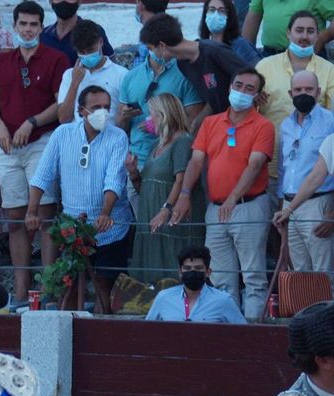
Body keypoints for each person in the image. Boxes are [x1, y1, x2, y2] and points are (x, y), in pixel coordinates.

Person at [158, 68, 273, 319]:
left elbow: (255, 165)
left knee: (253, 276)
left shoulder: (263, 126)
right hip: (216, 208)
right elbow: (196, 161)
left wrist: (232, 199)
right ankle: (226, 329)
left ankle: (253, 330)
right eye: (238, 85)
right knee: (220, 278)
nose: (242, 91)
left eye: (249, 88)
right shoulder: (211, 123)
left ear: (257, 95)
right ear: (230, 87)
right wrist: (185, 194)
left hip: (249, 205)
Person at [26, 85, 135, 313]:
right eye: (96, 107)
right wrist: (32, 211)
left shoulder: (118, 136)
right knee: (70, 287)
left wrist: (105, 213)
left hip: (111, 228)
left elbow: (114, 179)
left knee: (105, 287)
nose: (102, 112)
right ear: (81, 110)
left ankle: (103, 328)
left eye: (106, 107)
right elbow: (43, 174)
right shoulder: (62, 134)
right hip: (73, 227)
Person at [0, 1, 67, 307]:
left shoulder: (56, 59)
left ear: (41, 27)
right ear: (15, 26)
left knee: (45, 214)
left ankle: (49, 288)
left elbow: (60, 105)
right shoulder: (2, 60)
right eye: (23, 24)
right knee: (14, 217)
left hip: (41, 140)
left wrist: (32, 122)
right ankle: (20, 292)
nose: (28, 29)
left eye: (34, 24)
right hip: (8, 145)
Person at [130, 92, 205, 285]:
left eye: (151, 114)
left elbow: (181, 179)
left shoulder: (183, 141)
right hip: (150, 218)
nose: (148, 119)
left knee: (172, 269)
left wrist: (166, 209)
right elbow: (145, 187)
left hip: (171, 222)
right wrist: (133, 173)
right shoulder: (157, 145)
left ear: (164, 115)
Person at [269, 70, 334, 274]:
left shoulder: (330, 121)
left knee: (323, 271)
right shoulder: (286, 125)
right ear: (290, 93)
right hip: (289, 206)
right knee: (299, 272)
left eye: (309, 89)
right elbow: (283, 168)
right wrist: (283, 205)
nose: (303, 93)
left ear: (318, 92)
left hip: (318, 204)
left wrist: (332, 213)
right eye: (298, 90)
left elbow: (323, 171)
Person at [117, 27, 203, 181]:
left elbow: (194, 122)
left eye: (166, 46)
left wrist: (163, 126)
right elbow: (120, 126)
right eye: (152, 47)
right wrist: (125, 117)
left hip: (170, 161)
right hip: (137, 160)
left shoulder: (185, 75)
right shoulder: (130, 77)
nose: (162, 50)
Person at [140, 13, 248, 120]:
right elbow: (213, 99)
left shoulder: (214, 51)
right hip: (221, 121)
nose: (151, 54)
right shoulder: (183, 64)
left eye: (150, 48)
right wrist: (195, 125)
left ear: (161, 46)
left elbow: (249, 77)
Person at [256, 11, 334, 129]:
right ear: (288, 33)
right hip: (272, 139)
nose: (304, 36)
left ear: (317, 35)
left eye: (310, 31)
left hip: (315, 139)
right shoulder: (265, 66)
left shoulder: (329, 70)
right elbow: (249, 107)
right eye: (299, 30)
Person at [144, 243, 248, 320]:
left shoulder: (223, 300)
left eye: (198, 268)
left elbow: (242, 334)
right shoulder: (163, 298)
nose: (192, 272)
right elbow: (147, 332)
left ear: (208, 272)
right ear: (180, 272)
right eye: (187, 268)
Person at [54, 19, 124, 130]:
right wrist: (74, 84)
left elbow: (123, 120)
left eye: (91, 50)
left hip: (110, 136)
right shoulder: (69, 75)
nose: (87, 55)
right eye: (82, 52)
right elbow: (63, 119)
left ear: (101, 42)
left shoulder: (121, 74)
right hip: (77, 137)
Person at [244, 0, 334, 57]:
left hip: (306, 54)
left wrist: (322, 38)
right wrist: (246, 53)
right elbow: (253, 18)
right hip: (269, 54)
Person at [39, 0, 113, 62]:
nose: (64, 1)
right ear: (50, 2)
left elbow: (111, 66)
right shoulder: (43, 35)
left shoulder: (93, 31)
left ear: (79, 1)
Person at [200, 0, 261, 67]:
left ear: (229, 16)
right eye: (212, 10)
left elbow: (260, 69)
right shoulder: (201, 47)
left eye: (222, 11)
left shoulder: (240, 46)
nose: (216, 15)